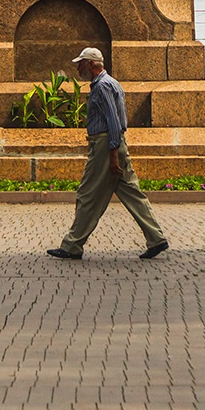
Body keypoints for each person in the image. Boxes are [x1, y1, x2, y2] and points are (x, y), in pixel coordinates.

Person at [48, 48, 169, 261]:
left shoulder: (102, 86)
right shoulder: (112, 83)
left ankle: (73, 245)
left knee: (87, 194)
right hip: (116, 143)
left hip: (105, 145)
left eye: (82, 63)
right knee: (131, 192)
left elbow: (112, 120)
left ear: (93, 65)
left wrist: (112, 155)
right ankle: (156, 237)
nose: (78, 68)